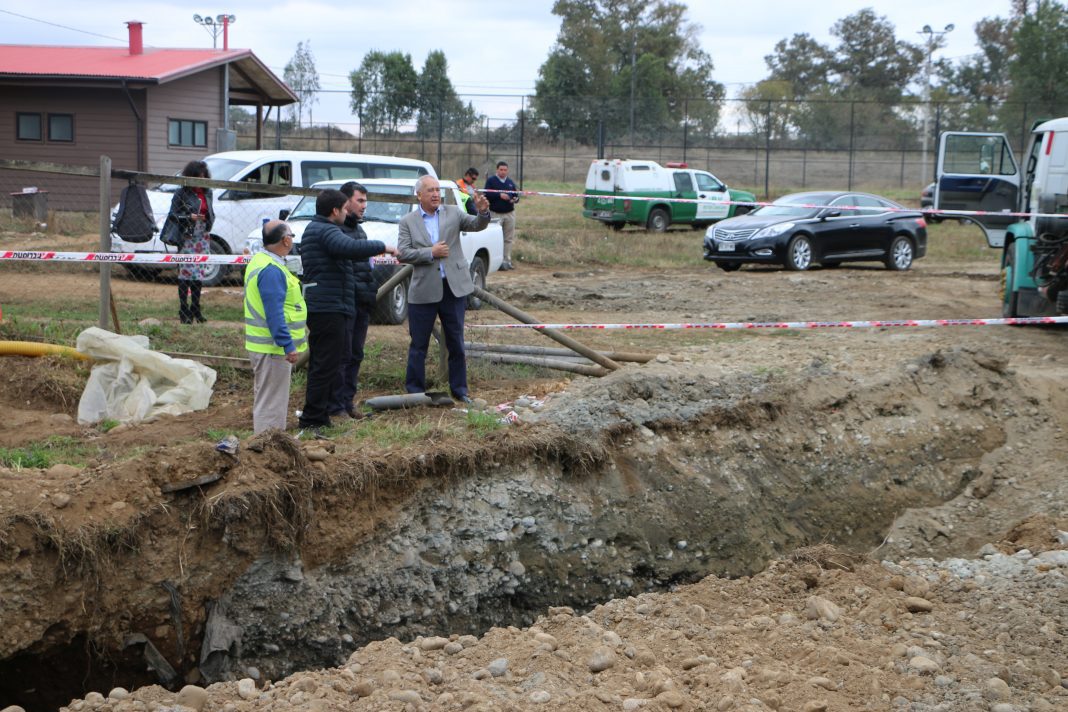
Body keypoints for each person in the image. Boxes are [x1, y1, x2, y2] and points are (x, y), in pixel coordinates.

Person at [298, 189, 397, 438]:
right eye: (344, 209)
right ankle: (314, 418)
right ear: (334, 211)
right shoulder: (326, 230)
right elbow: (349, 247)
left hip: (329, 305)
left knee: (325, 363)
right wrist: (384, 246)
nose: (347, 213)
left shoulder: (318, 229)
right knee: (325, 364)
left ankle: (317, 416)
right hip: (329, 307)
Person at [398, 176, 490, 403]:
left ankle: (460, 390)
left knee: (456, 342)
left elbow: (476, 225)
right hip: (423, 291)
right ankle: (415, 392)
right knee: (419, 344)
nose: (436, 194)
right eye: (430, 190)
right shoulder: (408, 221)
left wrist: (483, 213)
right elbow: (403, 253)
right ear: (419, 195)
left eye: (438, 190)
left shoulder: (453, 212)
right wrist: (430, 252)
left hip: (453, 289)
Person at [244, 220, 307, 434]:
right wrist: (287, 344)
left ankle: (267, 447)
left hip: (266, 347)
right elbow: (274, 313)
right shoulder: (271, 270)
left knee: (268, 398)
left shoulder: (261, 261)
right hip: (272, 349)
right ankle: (267, 448)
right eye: (292, 235)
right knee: (271, 403)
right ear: (286, 240)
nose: (292, 239)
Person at [329, 181, 377, 419]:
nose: (364, 206)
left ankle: (348, 402)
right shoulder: (337, 231)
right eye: (360, 200)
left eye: (366, 201)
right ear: (345, 202)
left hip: (362, 302)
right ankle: (336, 406)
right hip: (346, 302)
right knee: (342, 355)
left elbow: (364, 268)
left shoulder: (359, 230)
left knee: (356, 353)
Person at [166, 160, 215, 323]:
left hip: (202, 236)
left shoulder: (208, 193)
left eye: (203, 176)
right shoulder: (181, 193)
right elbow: (172, 214)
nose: (201, 179)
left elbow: (211, 212)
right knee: (185, 274)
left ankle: (196, 308)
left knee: (198, 274)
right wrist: (189, 217)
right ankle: (183, 309)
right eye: (197, 177)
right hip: (187, 236)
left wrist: (206, 218)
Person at [484, 160, 519, 270]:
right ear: (497, 170)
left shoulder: (510, 182)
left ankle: (506, 261)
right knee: (496, 238)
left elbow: (516, 194)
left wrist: (515, 199)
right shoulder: (491, 181)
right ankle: (495, 262)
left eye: (505, 170)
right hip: (496, 214)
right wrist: (499, 195)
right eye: (501, 170)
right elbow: (487, 193)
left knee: (508, 239)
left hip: (509, 214)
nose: (503, 172)